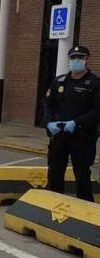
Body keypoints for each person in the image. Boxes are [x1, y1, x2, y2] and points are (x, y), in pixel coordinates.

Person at [43, 46, 100, 202]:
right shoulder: (59, 81)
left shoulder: (94, 84)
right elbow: (48, 104)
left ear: (87, 59)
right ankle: (54, 201)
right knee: (55, 170)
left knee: (81, 172)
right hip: (59, 134)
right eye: (73, 58)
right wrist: (49, 123)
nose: (76, 61)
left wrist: (77, 122)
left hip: (82, 135)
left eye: (80, 58)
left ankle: (85, 207)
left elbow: (97, 111)